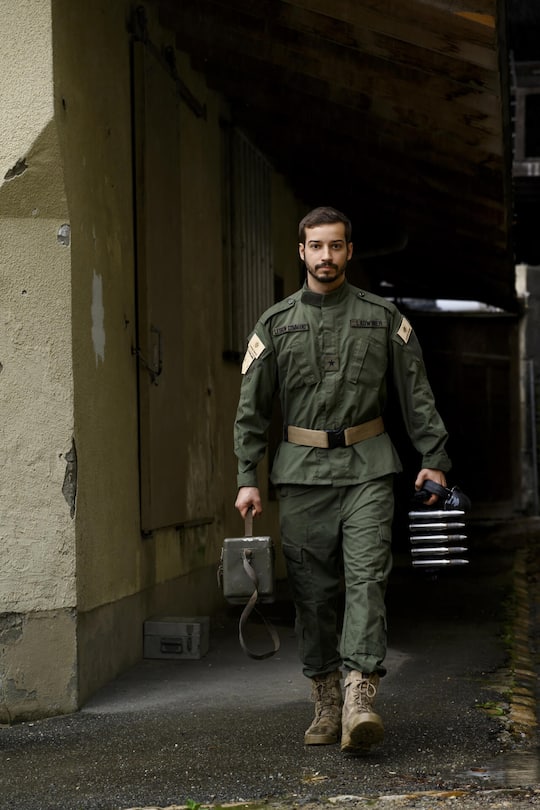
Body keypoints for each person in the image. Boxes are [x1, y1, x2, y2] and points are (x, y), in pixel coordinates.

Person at [233, 206, 451, 754]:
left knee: (367, 580)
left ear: (349, 252)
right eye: (315, 246)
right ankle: (326, 699)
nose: (325, 256)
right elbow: (251, 409)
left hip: (369, 469)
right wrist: (246, 477)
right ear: (300, 251)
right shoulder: (275, 323)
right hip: (301, 477)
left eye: (335, 246)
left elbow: (416, 393)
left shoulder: (383, 318)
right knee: (313, 594)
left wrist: (434, 454)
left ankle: (360, 698)